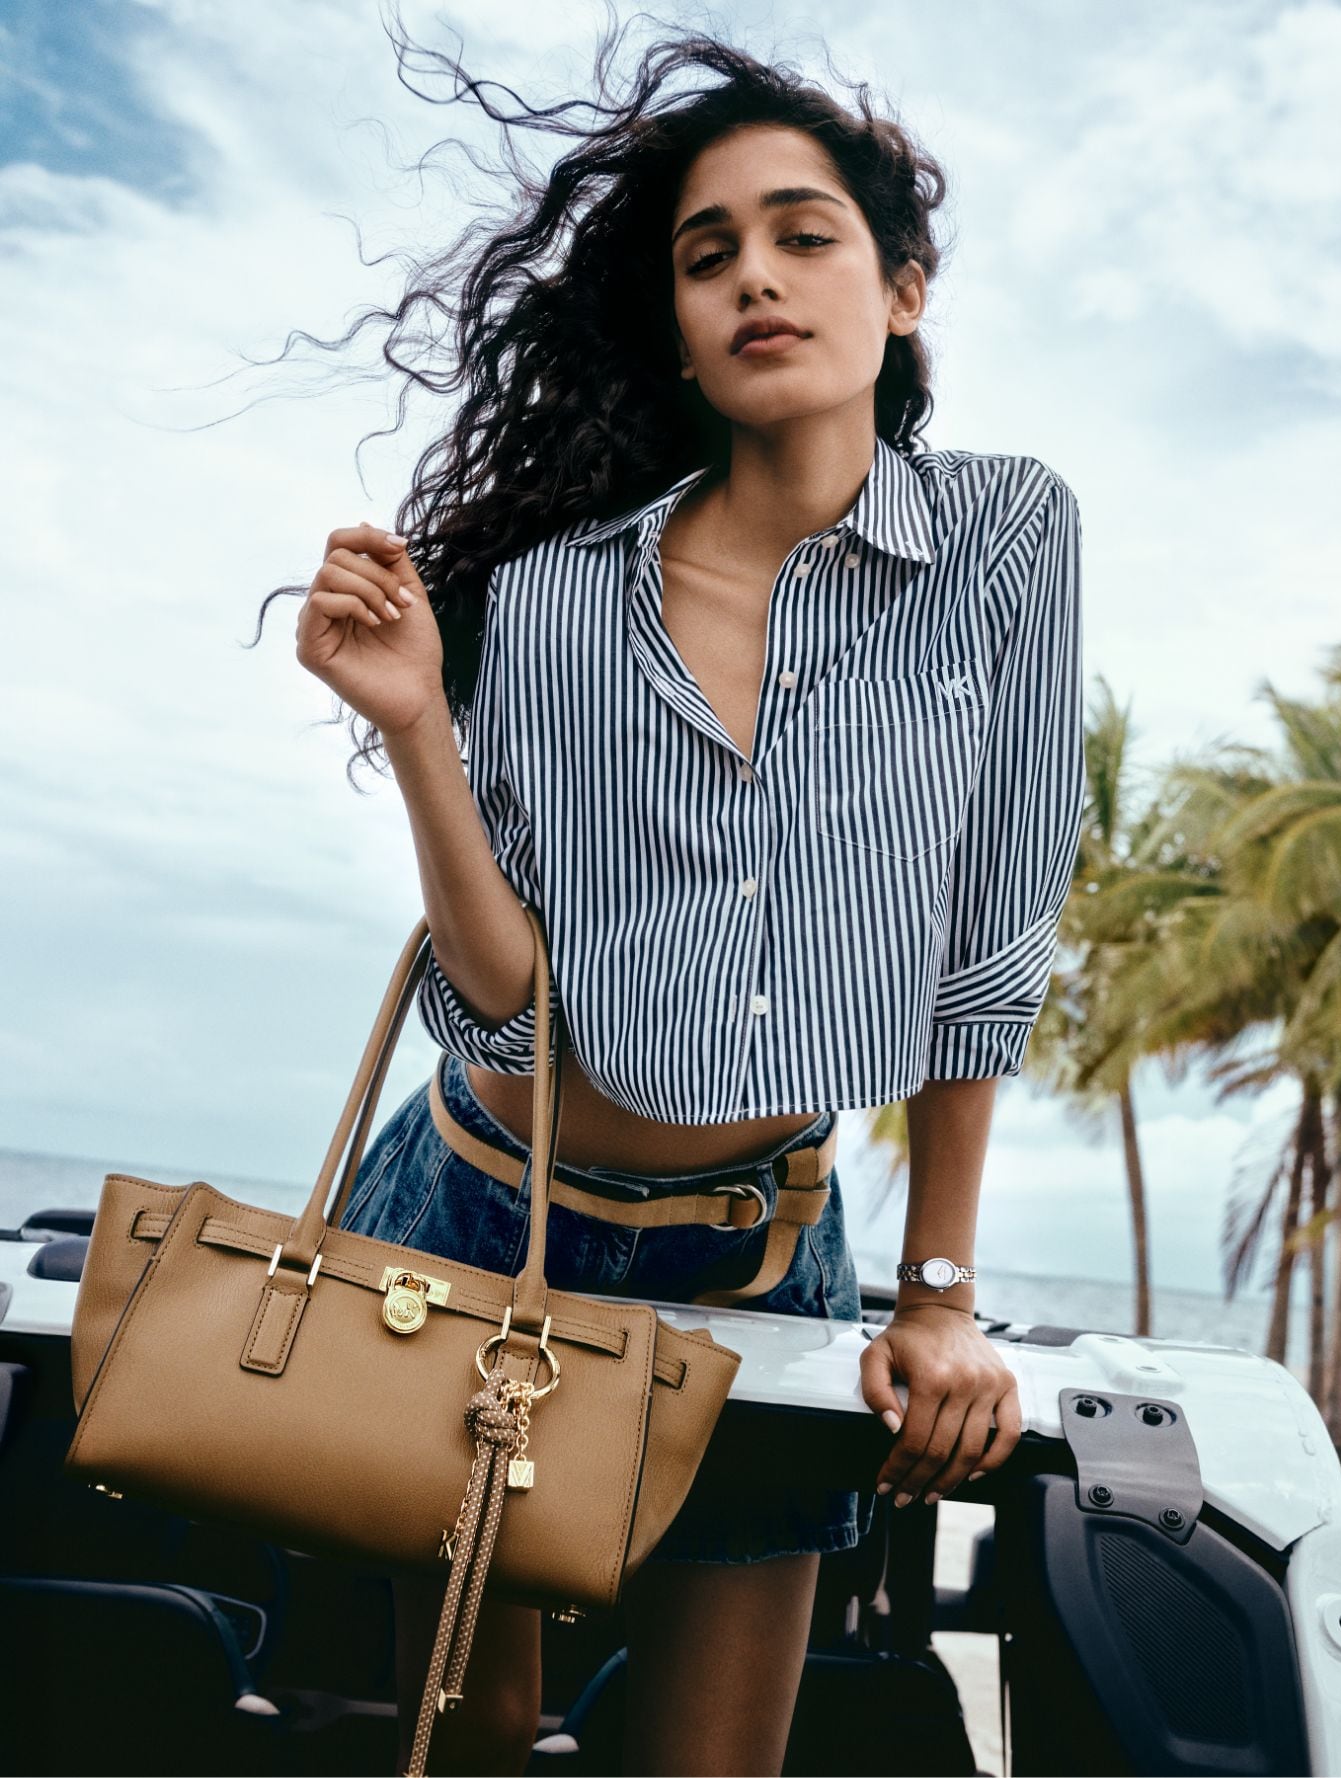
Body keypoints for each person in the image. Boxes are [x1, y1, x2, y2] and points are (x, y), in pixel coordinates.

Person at [275, 19, 1083, 1776]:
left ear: (905, 289)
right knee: (471, 1737)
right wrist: (419, 724)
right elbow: (500, 995)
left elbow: (989, 934)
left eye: (804, 235)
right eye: (706, 256)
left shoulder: (1009, 543)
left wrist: (938, 1293)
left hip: (765, 1244)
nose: (756, 280)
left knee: (713, 1766)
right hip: (489, 1208)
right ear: (677, 328)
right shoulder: (559, 597)